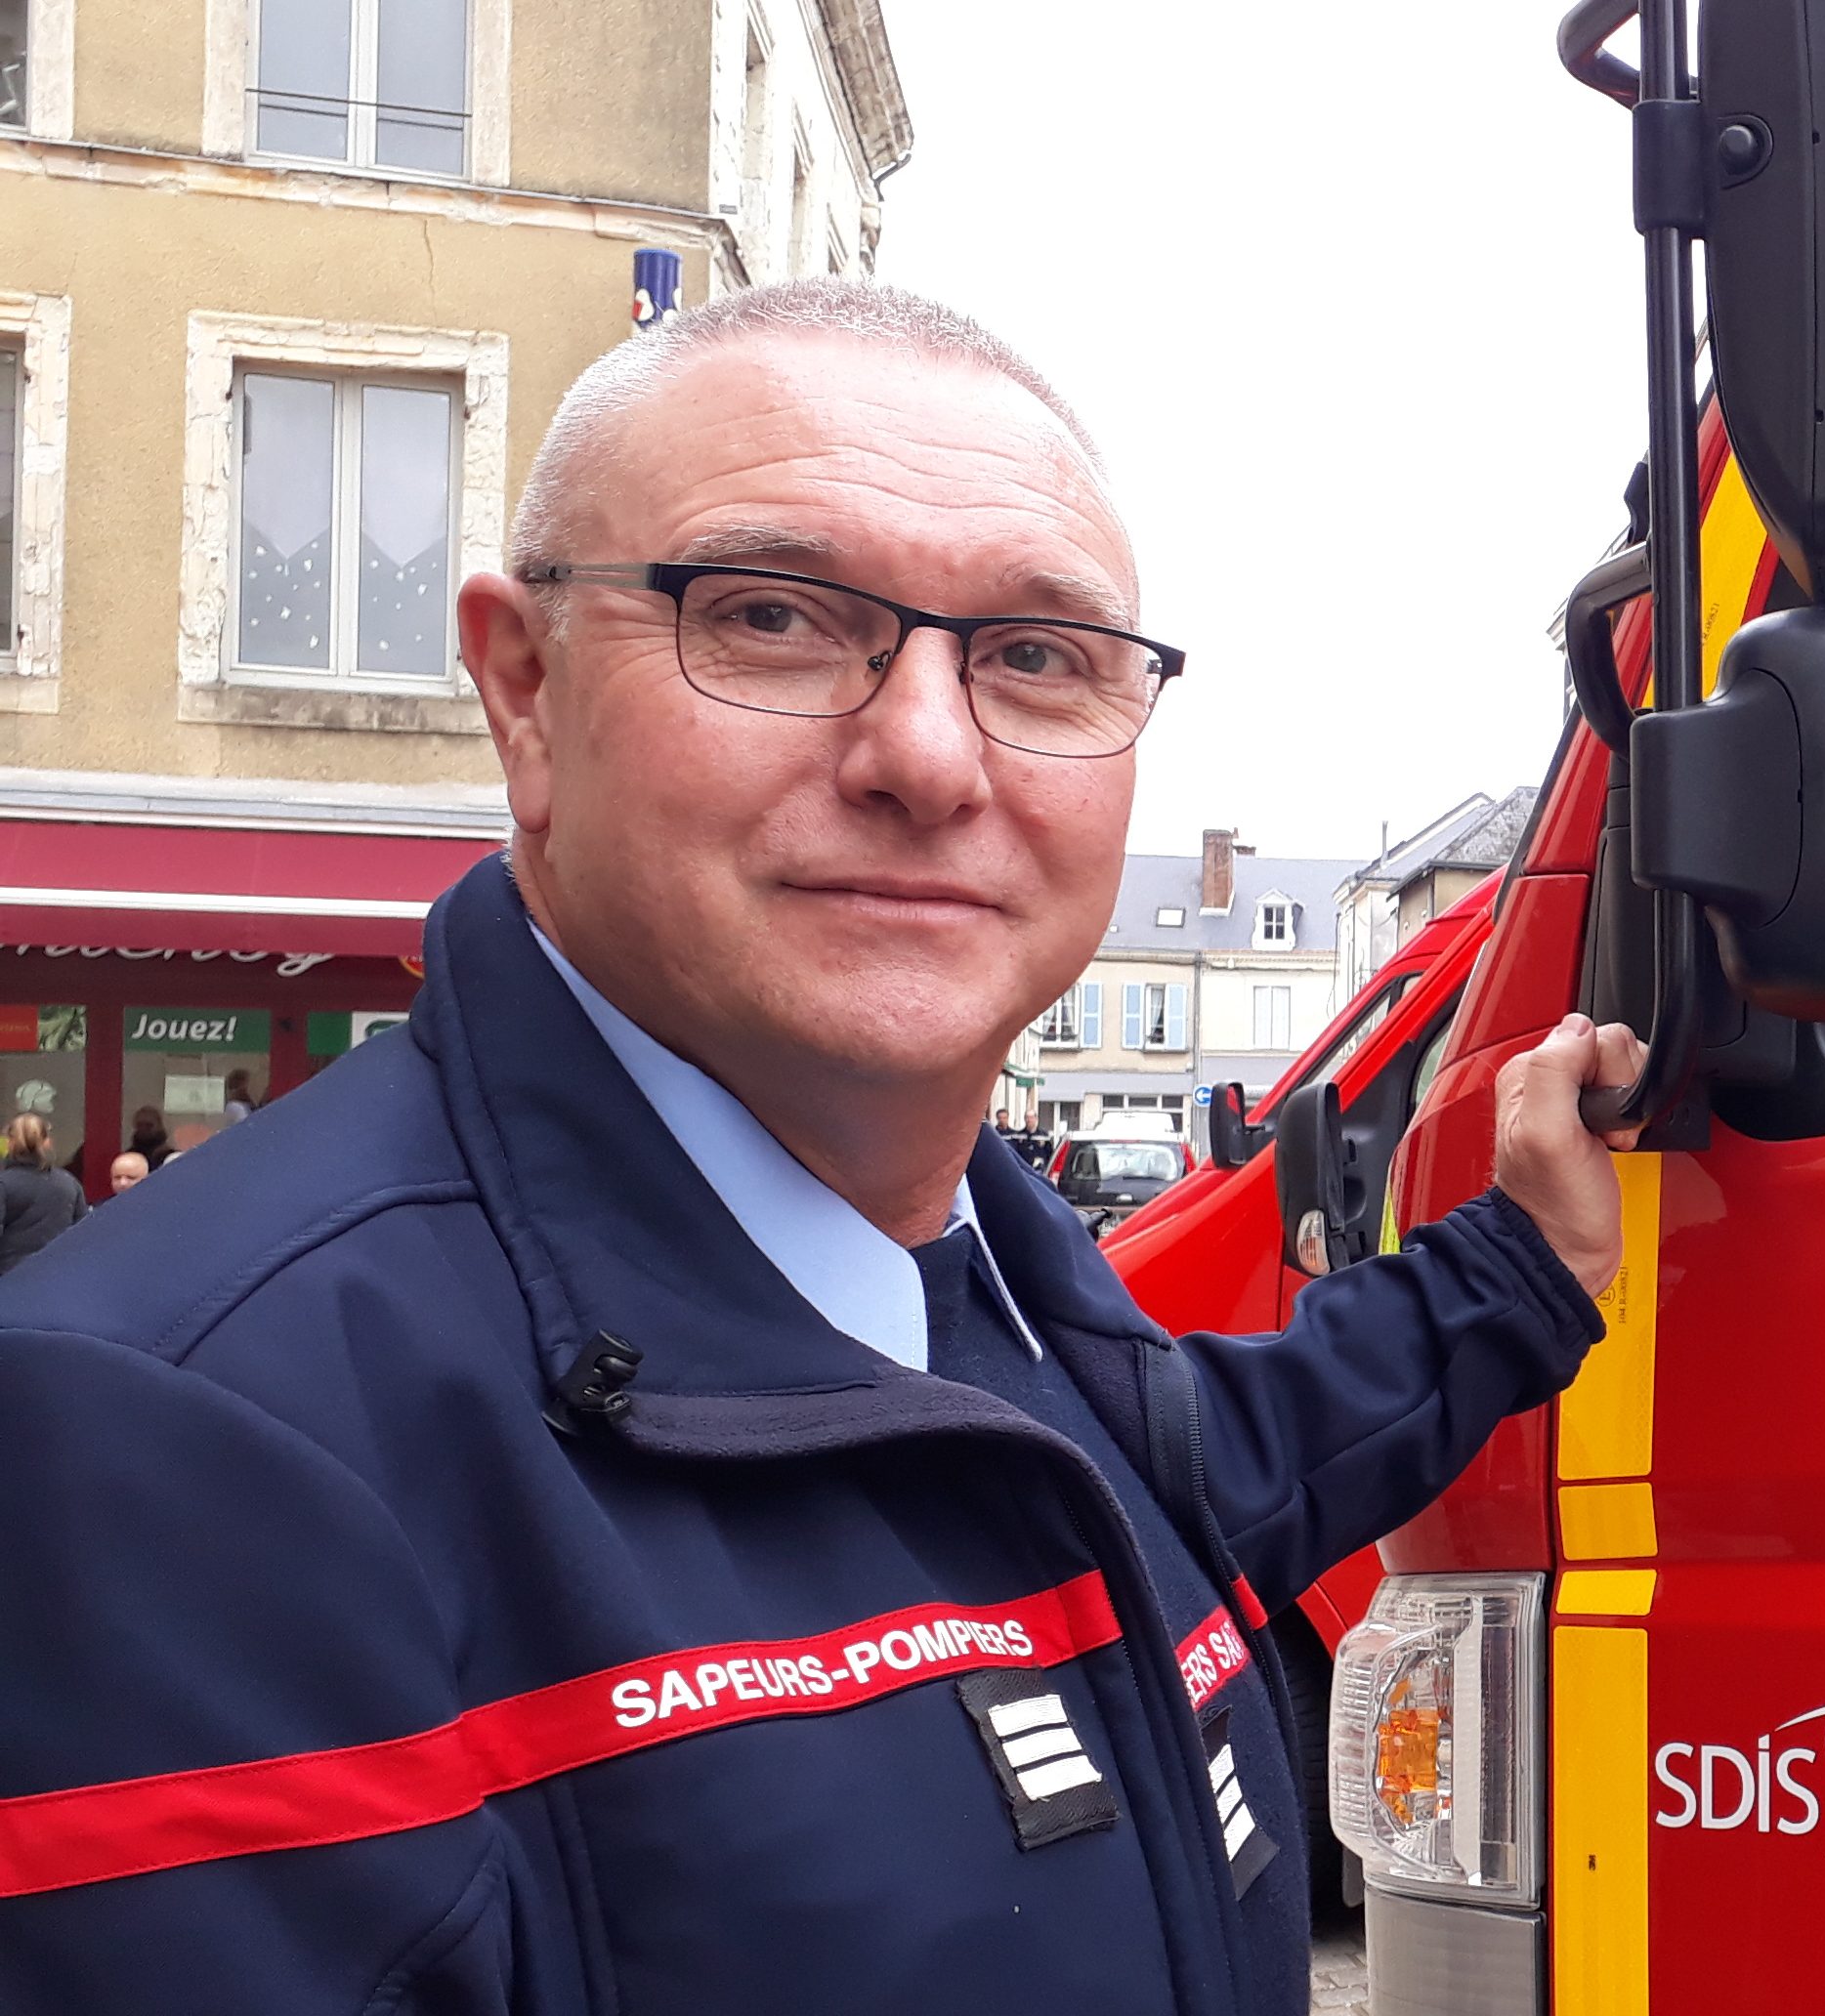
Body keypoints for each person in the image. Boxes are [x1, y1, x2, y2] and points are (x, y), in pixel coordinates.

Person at [0, 280, 1641, 2014]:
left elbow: (1190, 1479)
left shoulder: (988, 1282)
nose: (928, 755)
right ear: (525, 691)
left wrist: (1526, 1261)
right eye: (771, 616)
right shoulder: (177, 1449)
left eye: (1036, 656)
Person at [0, 1112, 86, 1271]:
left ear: (10, 1143)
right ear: (47, 1142)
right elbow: (83, 1233)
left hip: (11, 1274)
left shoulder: (4, 1184)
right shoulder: (69, 1182)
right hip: (58, 1272)